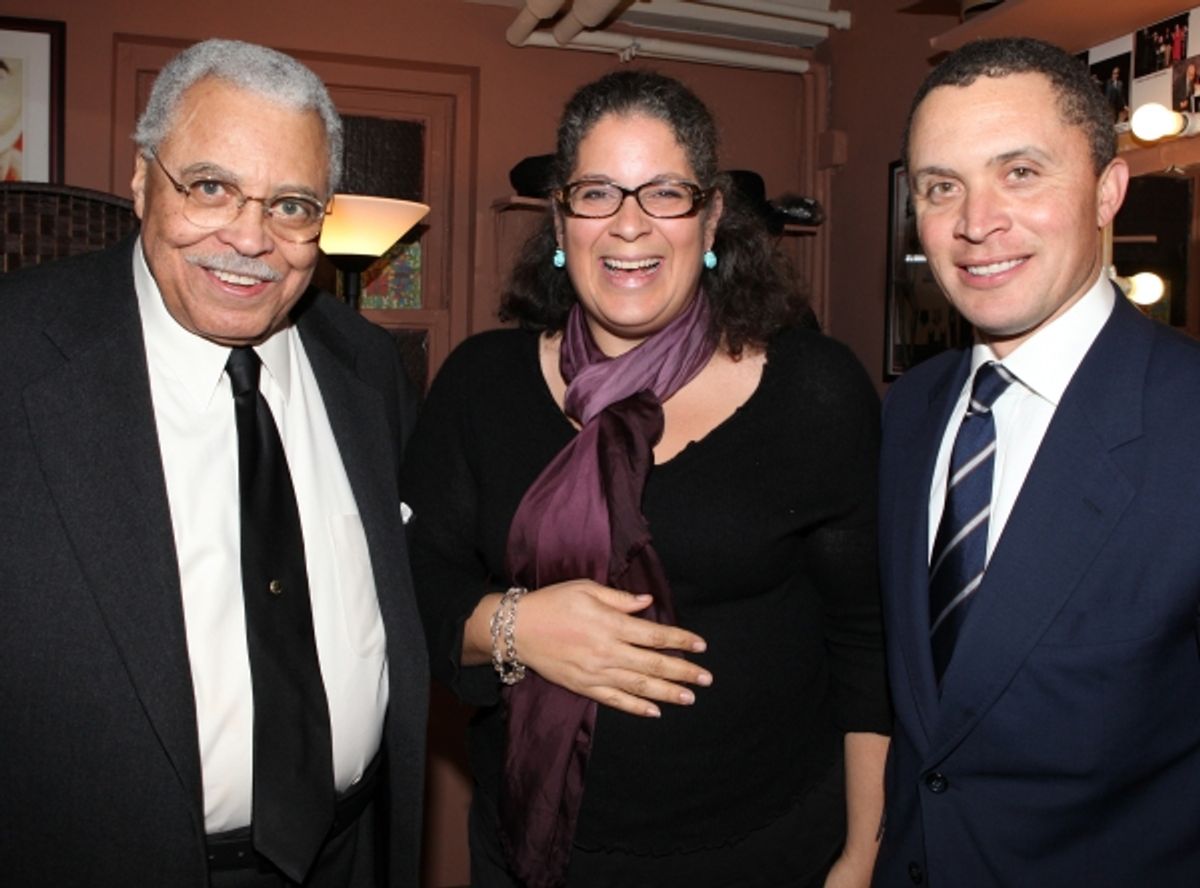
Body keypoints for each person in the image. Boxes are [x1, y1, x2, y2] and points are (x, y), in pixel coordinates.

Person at [402, 69, 891, 888]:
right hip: (533, 853)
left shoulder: (815, 388)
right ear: (560, 218)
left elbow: (868, 641)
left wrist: (861, 856)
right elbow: (408, 588)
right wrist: (515, 625)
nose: (629, 225)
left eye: (665, 192)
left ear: (711, 220)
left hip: (770, 853)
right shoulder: (479, 384)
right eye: (597, 193)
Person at [0, 39, 428, 887]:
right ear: (140, 180)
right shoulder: (16, 356)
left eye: (292, 205)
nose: (249, 238)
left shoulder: (368, 370)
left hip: (355, 854)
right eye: (210, 187)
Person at [874, 36, 1200, 887]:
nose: (976, 222)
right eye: (943, 186)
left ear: (1108, 191)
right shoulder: (910, 409)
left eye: (1020, 172)